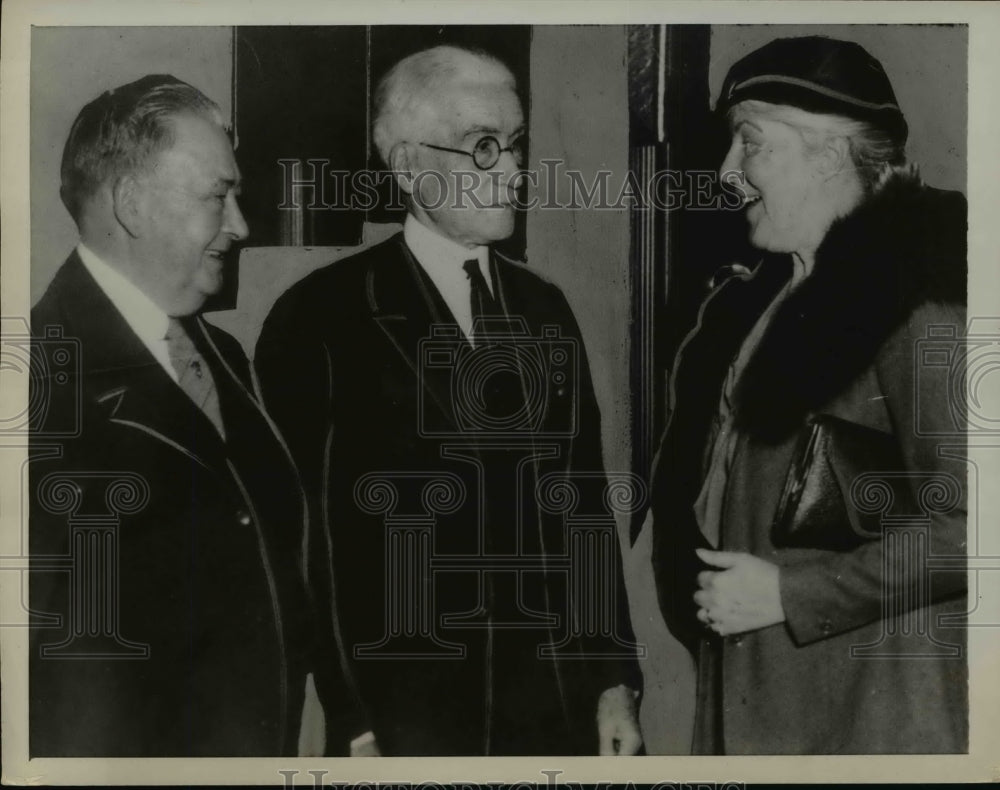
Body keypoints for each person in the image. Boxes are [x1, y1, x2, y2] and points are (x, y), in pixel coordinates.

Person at [255, 44, 642, 756]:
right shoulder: (321, 320)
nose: (514, 172)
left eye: (517, 144)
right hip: (411, 718)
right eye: (482, 148)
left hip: (554, 712)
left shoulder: (546, 309)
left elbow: (584, 507)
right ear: (406, 165)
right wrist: (355, 718)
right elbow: (308, 547)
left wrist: (614, 681)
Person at [643, 36, 967, 753]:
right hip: (768, 703)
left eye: (750, 145)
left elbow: (975, 529)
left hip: (863, 723)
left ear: (827, 155)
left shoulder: (919, 301)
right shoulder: (774, 296)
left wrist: (791, 595)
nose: (728, 174)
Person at [29, 75, 347, 757]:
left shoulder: (224, 354)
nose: (241, 226)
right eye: (217, 197)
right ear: (132, 204)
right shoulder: (33, 383)